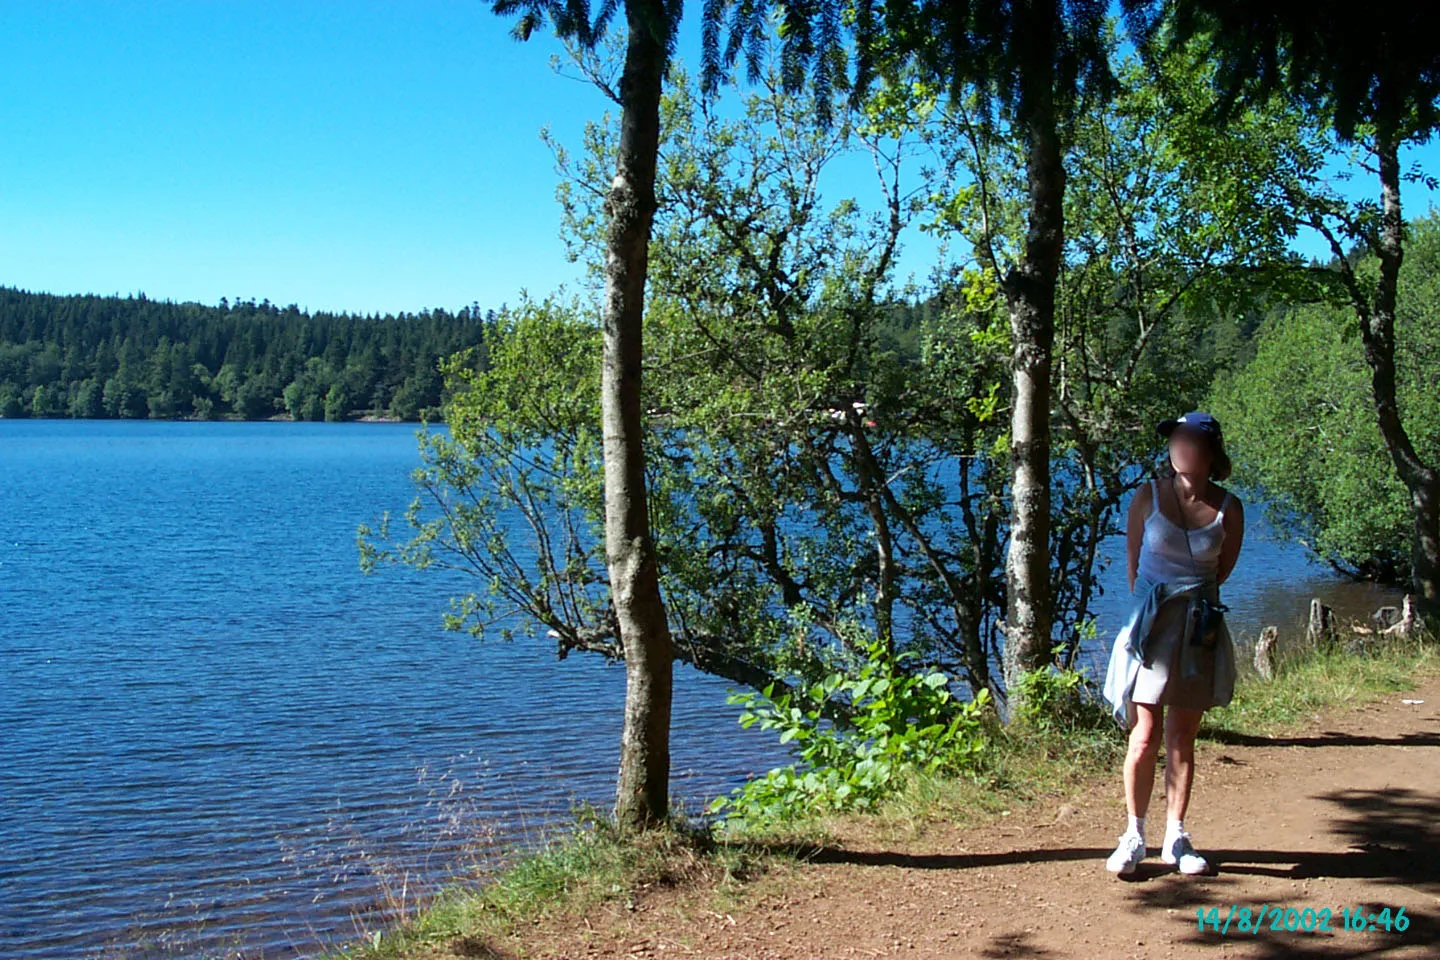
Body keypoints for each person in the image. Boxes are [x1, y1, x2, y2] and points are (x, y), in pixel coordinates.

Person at [1101, 411, 1245, 876]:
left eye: (1189, 441)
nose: (1179, 448)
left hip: (1197, 628)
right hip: (1151, 629)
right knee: (1144, 737)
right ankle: (1133, 835)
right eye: (1174, 441)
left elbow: (1221, 571)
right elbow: (1132, 565)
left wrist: (1190, 604)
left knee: (1183, 738)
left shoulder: (1230, 508)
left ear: (1209, 452)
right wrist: (1145, 619)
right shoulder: (1148, 496)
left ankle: (1176, 839)